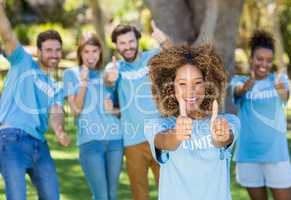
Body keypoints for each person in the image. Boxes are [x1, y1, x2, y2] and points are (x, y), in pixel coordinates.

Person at [145, 44, 240, 200]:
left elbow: (223, 140)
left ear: (208, 84)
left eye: (197, 83)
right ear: (170, 88)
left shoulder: (228, 122)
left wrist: (220, 135)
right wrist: (177, 134)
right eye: (182, 84)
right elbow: (163, 141)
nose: (190, 91)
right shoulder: (157, 125)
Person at [0, 2, 70, 200]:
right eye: (48, 50)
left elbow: (56, 112)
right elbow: (7, 34)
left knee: (52, 196)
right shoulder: (23, 61)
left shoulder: (56, 86)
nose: (54, 54)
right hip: (11, 139)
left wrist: (59, 131)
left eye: (57, 50)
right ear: (39, 51)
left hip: (40, 146)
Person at [104, 22, 171, 200]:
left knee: (169, 190)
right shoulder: (115, 69)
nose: (127, 47)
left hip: (161, 136)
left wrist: (164, 40)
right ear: (116, 46)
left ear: (138, 40)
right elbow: (107, 87)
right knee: (139, 194)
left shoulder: (153, 57)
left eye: (131, 41)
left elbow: (176, 55)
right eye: (122, 43)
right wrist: (109, 80)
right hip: (132, 141)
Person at [230, 30, 291, 200]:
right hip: (248, 156)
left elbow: (285, 96)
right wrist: (247, 86)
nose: (263, 64)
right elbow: (237, 93)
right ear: (251, 59)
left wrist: (279, 85)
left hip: (276, 155)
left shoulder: (279, 80)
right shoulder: (239, 81)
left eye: (268, 60)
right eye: (259, 59)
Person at [63, 33, 122, 200]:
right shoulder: (71, 74)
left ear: (100, 52)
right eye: (86, 51)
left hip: (115, 141)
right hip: (90, 143)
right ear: (80, 53)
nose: (90, 56)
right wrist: (83, 83)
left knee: (112, 194)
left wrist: (113, 110)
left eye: (94, 51)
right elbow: (75, 111)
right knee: (101, 195)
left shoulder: (108, 73)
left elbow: (120, 111)